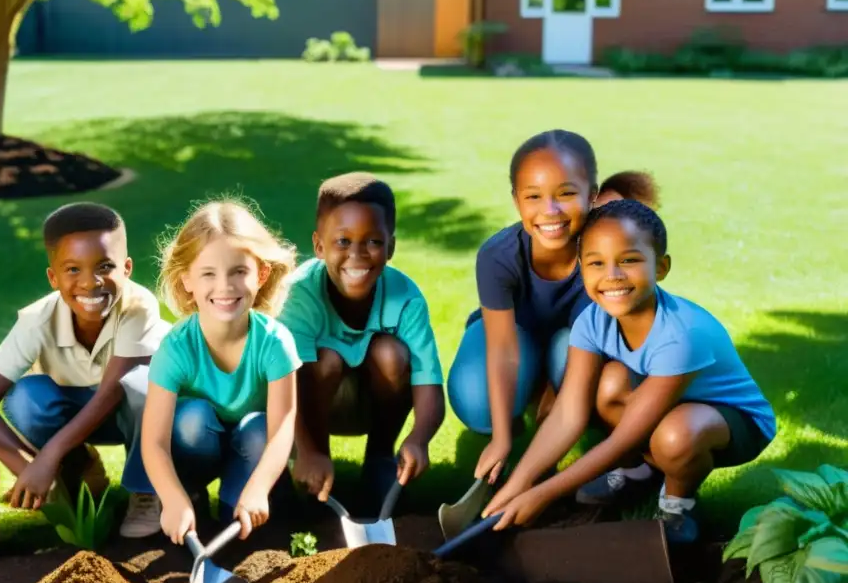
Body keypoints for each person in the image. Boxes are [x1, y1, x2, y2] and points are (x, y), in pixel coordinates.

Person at [481, 200, 776, 543]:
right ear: (582, 268)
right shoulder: (592, 320)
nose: (613, 276)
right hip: (667, 407)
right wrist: (521, 482)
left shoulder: (682, 335)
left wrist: (544, 493)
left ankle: (678, 505)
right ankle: (640, 473)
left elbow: (626, 437)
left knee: (675, 436)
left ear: (661, 267)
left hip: (733, 423)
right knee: (608, 384)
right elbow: (568, 414)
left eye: (630, 261)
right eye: (596, 263)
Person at [447, 130, 659, 486]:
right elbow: (501, 351)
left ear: (591, 196)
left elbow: (584, 349)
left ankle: (562, 424)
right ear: (517, 201)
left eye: (566, 194)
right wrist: (501, 437)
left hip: (575, 343)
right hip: (514, 335)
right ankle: (515, 417)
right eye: (534, 196)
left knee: (569, 355)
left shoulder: (600, 257)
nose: (551, 211)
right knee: (475, 397)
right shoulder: (497, 256)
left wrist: (548, 438)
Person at [0, 202, 169, 538]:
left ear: (127, 269)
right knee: (26, 398)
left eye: (105, 266)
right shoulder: (37, 320)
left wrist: (47, 456)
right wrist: (27, 467)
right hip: (78, 415)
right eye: (73, 270)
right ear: (53, 276)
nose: (90, 282)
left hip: (141, 417)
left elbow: (114, 391)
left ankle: (146, 490)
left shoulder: (139, 307)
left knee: (141, 385)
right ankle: (78, 471)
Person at [278, 172, 445, 509]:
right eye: (342, 241)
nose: (358, 254)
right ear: (319, 245)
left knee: (391, 353)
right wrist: (307, 450)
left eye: (373, 241)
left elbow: (429, 385)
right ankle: (318, 468)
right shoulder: (298, 294)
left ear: (391, 246)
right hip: (307, 409)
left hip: (373, 406)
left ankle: (379, 462)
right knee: (325, 359)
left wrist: (419, 438)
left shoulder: (406, 298)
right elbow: (283, 386)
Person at [141, 200, 301, 543]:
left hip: (253, 446)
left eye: (238, 272)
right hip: (198, 445)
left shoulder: (275, 343)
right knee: (192, 417)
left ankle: (243, 499)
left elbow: (282, 428)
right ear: (187, 280)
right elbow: (153, 441)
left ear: (261, 274)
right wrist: (172, 499)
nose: (225, 287)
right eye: (208, 274)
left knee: (259, 428)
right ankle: (192, 496)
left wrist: (257, 489)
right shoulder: (176, 347)